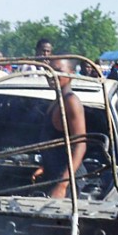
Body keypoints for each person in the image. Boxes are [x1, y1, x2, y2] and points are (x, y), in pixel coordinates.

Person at [30, 57, 87, 199]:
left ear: (71, 73)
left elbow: (80, 145)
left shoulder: (71, 101)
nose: (52, 75)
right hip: (54, 174)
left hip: (68, 181)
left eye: (58, 71)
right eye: (49, 70)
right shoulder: (57, 101)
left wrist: (62, 185)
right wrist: (45, 165)